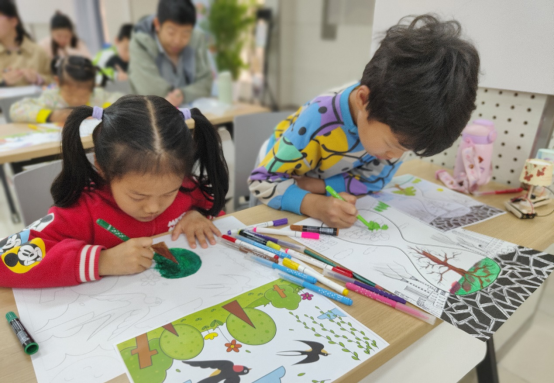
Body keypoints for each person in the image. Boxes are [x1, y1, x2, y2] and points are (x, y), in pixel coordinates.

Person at [248, 15, 480, 229]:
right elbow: (262, 182)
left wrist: (314, 187)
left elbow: (375, 180)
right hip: (278, 183)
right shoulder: (318, 120)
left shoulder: (400, 124)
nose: (395, 157)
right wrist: (314, 204)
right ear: (363, 100)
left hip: (315, 184)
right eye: (393, 145)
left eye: (404, 149)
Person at [0, 95, 229, 288]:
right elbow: (5, 262)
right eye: (137, 196)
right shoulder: (81, 211)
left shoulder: (190, 189)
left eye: (169, 193)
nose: (153, 207)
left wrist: (198, 215)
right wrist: (101, 261)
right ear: (102, 167)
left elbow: (218, 213)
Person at [129, 0, 212, 106]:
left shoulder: (197, 38)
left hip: (191, 113)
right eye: (171, 33)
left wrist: (184, 94)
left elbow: (206, 83)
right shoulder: (140, 43)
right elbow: (150, 92)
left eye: (185, 35)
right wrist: (179, 95)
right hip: (152, 117)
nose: (177, 41)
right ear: (157, 24)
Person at [10, 56, 120, 123]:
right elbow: (16, 109)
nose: (77, 101)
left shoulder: (97, 97)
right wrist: (50, 115)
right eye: (70, 94)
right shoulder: (51, 98)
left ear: (93, 86)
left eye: (83, 95)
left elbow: (118, 97)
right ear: (58, 82)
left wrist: (106, 110)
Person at [0, 0, 51, 86]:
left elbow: (56, 82)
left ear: (13, 21)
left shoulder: (38, 52)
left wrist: (39, 78)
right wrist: (3, 83)